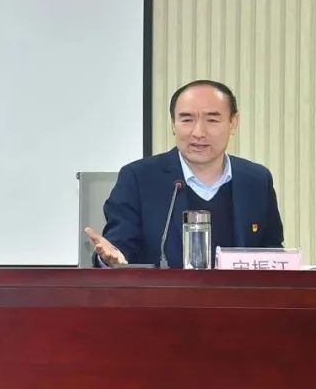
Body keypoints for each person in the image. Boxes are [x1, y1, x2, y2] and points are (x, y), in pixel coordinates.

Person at [85, 80, 283, 267]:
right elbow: (119, 248)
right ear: (173, 124)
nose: (198, 132)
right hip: (163, 293)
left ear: (233, 122)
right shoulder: (139, 178)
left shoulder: (256, 180)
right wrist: (111, 260)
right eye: (187, 119)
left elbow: (272, 252)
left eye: (212, 120)